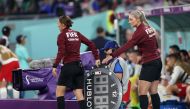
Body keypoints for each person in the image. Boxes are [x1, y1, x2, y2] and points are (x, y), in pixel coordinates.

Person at [102, 10, 162, 109]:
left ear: (138, 19)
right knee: (153, 91)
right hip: (157, 61)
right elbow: (155, 44)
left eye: (131, 19)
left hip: (149, 63)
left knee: (142, 92)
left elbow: (127, 45)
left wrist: (112, 55)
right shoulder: (149, 28)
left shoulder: (139, 31)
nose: (129, 22)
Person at [52, 15, 100, 109]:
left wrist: (55, 65)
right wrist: (97, 58)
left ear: (63, 25)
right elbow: (91, 43)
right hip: (79, 67)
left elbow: (61, 51)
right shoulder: (77, 33)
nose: (57, 25)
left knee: (59, 92)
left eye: (58, 23)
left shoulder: (61, 35)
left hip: (68, 67)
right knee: (78, 93)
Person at [101, 40, 130, 108]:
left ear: (112, 50)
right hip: (115, 96)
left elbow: (117, 79)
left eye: (106, 50)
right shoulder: (113, 61)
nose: (104, 52)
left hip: (117, 97)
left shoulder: (118, 61)